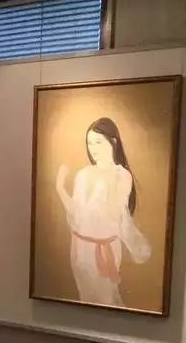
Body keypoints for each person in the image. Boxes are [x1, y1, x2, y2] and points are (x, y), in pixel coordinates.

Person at [55, 117, 151, 306]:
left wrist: (108, 180)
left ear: (113, 142)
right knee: (85, 299)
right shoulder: (83, 174)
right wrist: (59, 187)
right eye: (89, 143)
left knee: (105, 300)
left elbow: (116, 214)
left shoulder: (122, 175)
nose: (93, 148)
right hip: (80, 248)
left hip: (104, 249)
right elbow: (75, 215)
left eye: (98, 142)